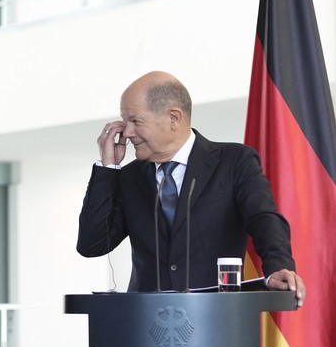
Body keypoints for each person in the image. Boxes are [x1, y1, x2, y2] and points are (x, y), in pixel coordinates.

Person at [76, 71, 306, 307]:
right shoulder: (128, 177)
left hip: (217, 318)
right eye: (125, 122)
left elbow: (263, 218)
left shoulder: (235, 161)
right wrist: (108, 169)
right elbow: (92, 245)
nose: (128, 132)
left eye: (135, 121)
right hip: (146, 324)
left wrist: (279, 267)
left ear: (173, 118)